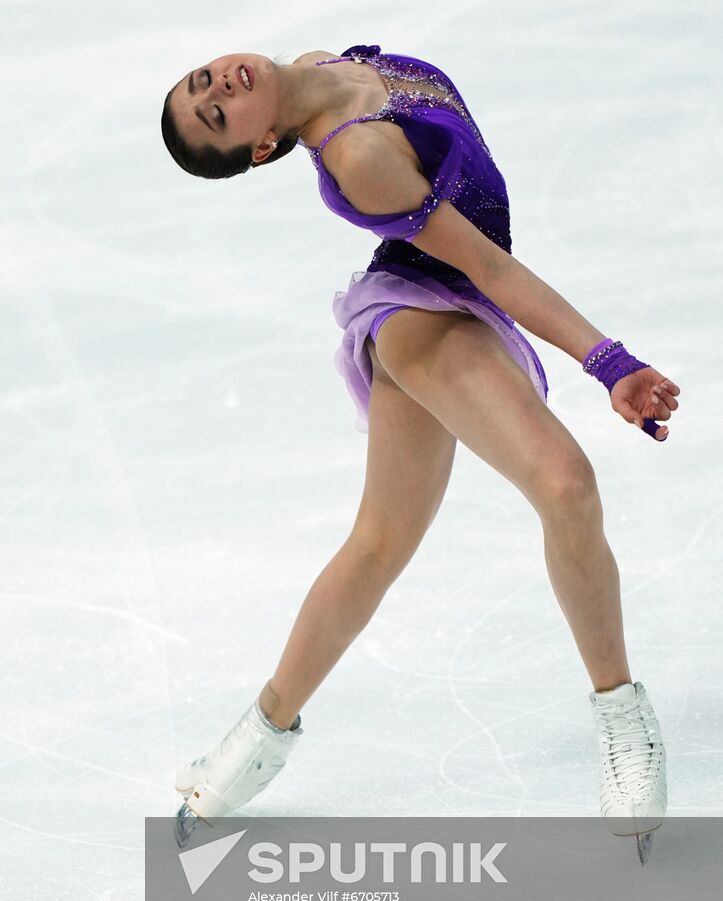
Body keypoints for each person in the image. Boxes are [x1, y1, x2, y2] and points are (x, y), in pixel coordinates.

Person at [161, 44, 677, 845]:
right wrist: (607, 361)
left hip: (440, 296)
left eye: (204, 83)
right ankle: (622, 718)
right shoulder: (357, 152)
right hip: (430, 305)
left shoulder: (329, 60)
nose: (218, 87)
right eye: (217, 116)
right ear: (260, 148)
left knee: (378, 544)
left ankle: (249, 749)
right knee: (564, 484)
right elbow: (487, 266)